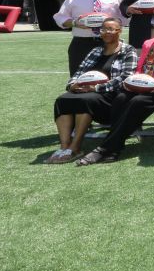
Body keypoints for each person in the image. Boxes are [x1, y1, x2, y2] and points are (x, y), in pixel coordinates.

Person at [76, 6, 154, 165]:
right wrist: (133, 80)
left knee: (137, 102)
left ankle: (105, 148)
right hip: (142, 83)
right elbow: (139, 68)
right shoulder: (148, 43)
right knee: (121, 97)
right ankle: (115, 147)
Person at [46, 17, 137, 164]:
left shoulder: (128, 50)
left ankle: (75, 148)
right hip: (85, 91)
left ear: (119, 31)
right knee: (63, 99)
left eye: (110, 29)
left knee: (85, 100)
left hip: (110, 95)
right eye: (103, 29)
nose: (106, 32)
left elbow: (126, 77)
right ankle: (64, 147)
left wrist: (97, 88)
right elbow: (79, 71)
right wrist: (72, 85)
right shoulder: (95, 51)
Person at [53, 0, 128, 77]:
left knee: (109, 76)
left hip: (110, 42)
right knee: (79, 78)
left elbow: (125, 19)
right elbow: (60, 17)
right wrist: (75, 23)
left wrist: (112, 24)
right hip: (82, 43)